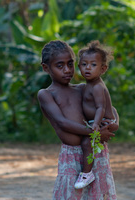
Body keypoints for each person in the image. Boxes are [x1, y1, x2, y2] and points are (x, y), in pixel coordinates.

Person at [37, 40, 119, 199]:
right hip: (72, 156)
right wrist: (94, 133)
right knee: (71, 194)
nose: (67, 70)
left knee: (98, 194)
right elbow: (62, 122)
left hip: (95, 153)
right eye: (60, 66)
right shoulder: (46, 94)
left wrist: (113, 123)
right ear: (46, 68)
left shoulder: (82, 89)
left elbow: (111, 109)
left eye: (70, 64)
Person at [74, 41, 117, 189]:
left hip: (102, 120)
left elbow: (100, 107)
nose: (88, 68)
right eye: (84, 64)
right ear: (79, 67)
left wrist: (96, 124)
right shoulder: (88, 85)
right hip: (97, 119)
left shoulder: (97, 87)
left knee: (87, 143)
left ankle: (87, 173)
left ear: (103, 69)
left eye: (93, 65)